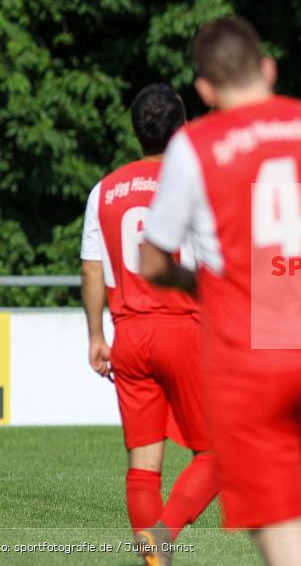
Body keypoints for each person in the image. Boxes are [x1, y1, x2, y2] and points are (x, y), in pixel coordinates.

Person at [139, 16, 301, 566]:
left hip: (249, 363)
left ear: (204, 90)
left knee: (282, 539)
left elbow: (152, 258)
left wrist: (200, 281)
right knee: (296, 519)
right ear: (268, 67)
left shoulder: (195, 144)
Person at [80, 83, 218, 564]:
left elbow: (92, 267)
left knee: (143, 464)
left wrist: (97, 336)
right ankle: (164, 535)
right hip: (184, 328)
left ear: (136, 129)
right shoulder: (195, 182)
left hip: (129, 335)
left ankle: (151, 557)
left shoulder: (105, 190)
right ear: (180, 128)